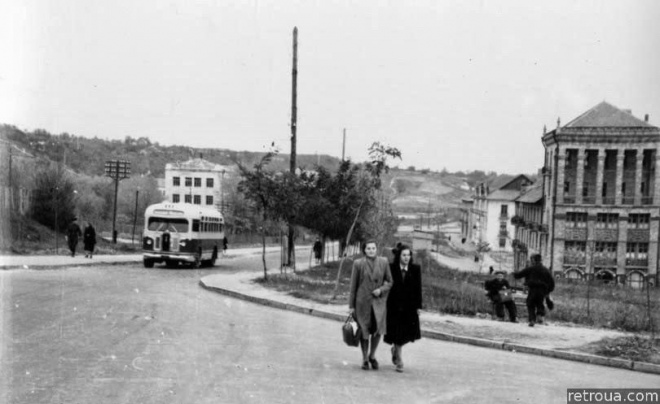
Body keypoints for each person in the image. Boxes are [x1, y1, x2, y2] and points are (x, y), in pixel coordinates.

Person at [349, 240, 393, 371]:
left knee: (377, 330)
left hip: (378, 302)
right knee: (364, 330)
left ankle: (372, 355)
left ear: (376, 249)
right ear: (364, 250)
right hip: (362, 302)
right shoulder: (358, 264)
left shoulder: (384, 262)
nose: (371, 250)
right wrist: (351, 306)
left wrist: (381, 290)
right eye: (368, 248)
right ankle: (364, 358)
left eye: (373, 248)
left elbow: (390, 281)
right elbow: (353, 286)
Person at [384, 244, 422, 372]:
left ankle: (395, 349)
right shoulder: (391, 268)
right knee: (397, 332)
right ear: (399, 256)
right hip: (394, 305)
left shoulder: (415, 269)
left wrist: (418, 306)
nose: (406, 258)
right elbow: (387, 284)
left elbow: (418, 289)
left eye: (408, 255)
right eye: (404, 255)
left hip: (409, 307)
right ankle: (399, 360)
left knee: (408, 333)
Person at [513, 254, 555, 327]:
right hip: (542, 290)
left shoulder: (530, 268)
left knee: (530, 303)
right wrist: (548, 291)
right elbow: (551, 282)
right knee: (540, 302)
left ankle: (532, 319)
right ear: (540, 260)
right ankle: (539, 314)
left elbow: (519, 275)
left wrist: (514, 273)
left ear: (533, 260)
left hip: (533, 289)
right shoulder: (546, 270)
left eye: (531, 260)